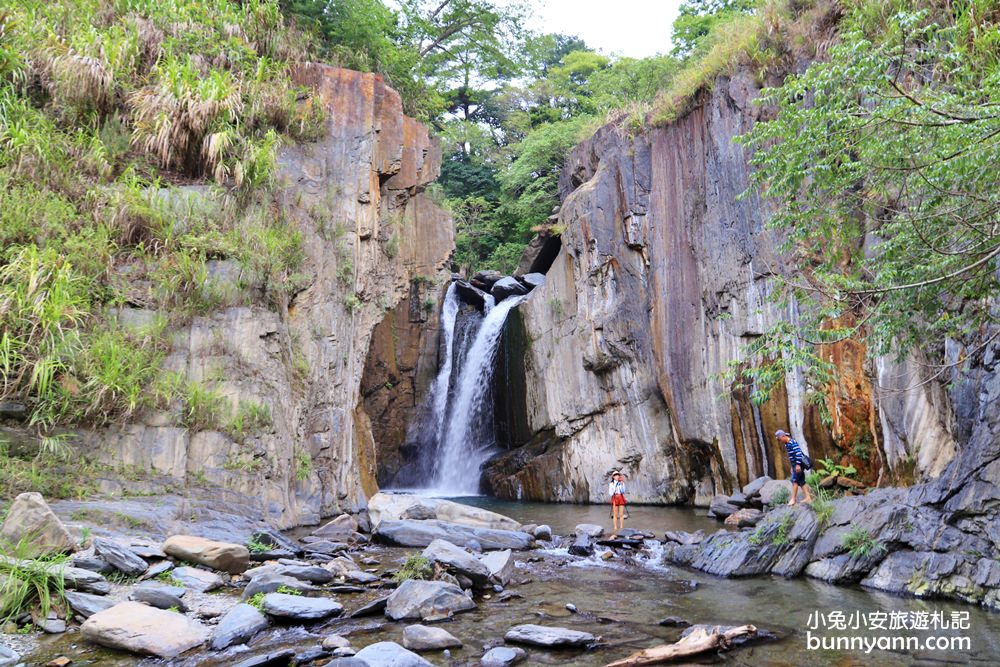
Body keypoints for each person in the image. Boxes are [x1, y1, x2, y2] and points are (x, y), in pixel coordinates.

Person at [776, 429, 813, 505]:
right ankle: (808, 498)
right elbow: (792, 456)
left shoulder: (792, 442)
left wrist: (798, 465)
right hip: (795, 464)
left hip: (798, 464)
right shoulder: (787, 444)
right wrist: (792, 467)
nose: (780, 441)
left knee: (794, 480)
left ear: (783, 436)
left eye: (779, 439)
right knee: (801, 481)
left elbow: (798, 454)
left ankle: (793, 499)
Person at [608, 471, 627, 536]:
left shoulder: (621, 483)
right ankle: (615, 527)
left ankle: (621, 527)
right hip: (615, 498)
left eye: (618, 475)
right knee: (615, 514)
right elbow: (610, 493)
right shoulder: (611, 484)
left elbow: (623, 491)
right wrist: (614, 488)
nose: (617, 476)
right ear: (613, 477)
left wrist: (622, 484)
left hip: (620, 497)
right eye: (616, 475)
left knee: (621, 514)